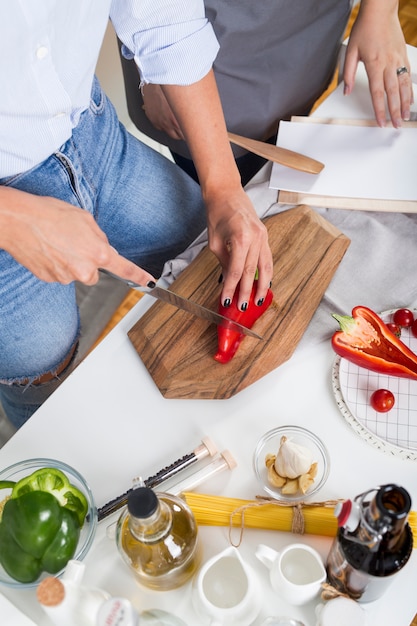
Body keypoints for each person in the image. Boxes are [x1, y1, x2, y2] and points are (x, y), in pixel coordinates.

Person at [0, 1, 273, 428]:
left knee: (202, 247)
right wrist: (12, 218)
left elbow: (164, 17)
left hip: (90, 132)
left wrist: (223, 188)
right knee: (41, 361)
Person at [119, 0, 413, 185]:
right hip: (196, 33)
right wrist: (153, 68)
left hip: (313, 22)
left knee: (292, 129)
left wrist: (381, 11)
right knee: (226, 170)